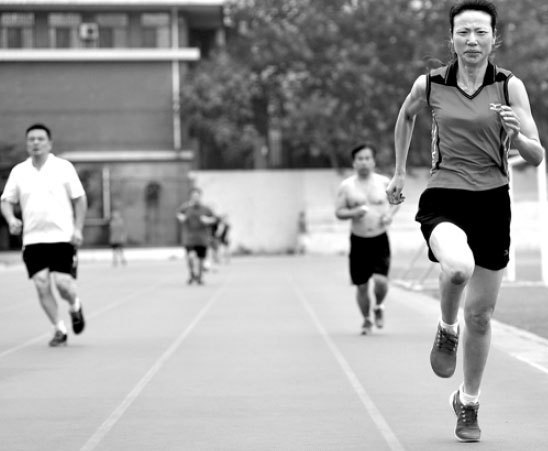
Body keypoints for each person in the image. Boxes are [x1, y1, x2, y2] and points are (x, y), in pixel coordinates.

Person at [386, 0, 545, 442]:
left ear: (496, 38)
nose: (472, 41)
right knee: (457, 267)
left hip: (493, 201)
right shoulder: (432, 83)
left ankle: (468, 403)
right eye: (463, 33)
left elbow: (536, 154)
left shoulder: (510, 87)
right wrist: (400, 170)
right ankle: (445, 328)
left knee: (482, 316)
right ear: (451, 39)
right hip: (445, 196)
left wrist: (517, 133)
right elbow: (406, 115)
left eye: (480, 32)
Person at [0, 123, 88, 347]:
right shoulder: (19, 172)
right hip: (33, 239)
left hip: (61, 236)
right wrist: (11, 219)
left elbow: (79, 198)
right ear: (27, 144)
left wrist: (78, 228)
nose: (35, 143)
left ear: (49, 143)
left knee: (63, 284)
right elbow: (6, 200)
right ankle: (59, 328)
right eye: (31, 139)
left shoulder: (63, 167)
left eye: (40, 139)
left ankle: (75, 305)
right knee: (41, 284)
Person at [335, 143, 400, 335]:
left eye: (367, 158)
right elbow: (338, 212)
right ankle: (366, 319)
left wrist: (389, 214)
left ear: (373, 161)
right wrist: (354, 211)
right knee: (362, 285)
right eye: (360, 159)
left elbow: (396, 202)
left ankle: (378, 306)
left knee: (380, 281)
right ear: (354, 163)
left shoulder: (383, 182)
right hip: (359, 240)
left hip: (379, 239)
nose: (364, 162)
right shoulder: (346, 186)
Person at [176, 187, 216, 285]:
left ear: (200, 196)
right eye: (193, 196)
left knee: (201, 258)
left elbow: (214, 219)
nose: (195, 198)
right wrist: (182, 218)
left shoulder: (206, 209)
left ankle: (200, 277)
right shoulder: (185, 207)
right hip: (189, 238)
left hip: (202, 238)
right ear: (190, 197)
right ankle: (192, 274)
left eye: (197, 196)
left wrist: (208, 220)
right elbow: (178, 214)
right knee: (190, 256)